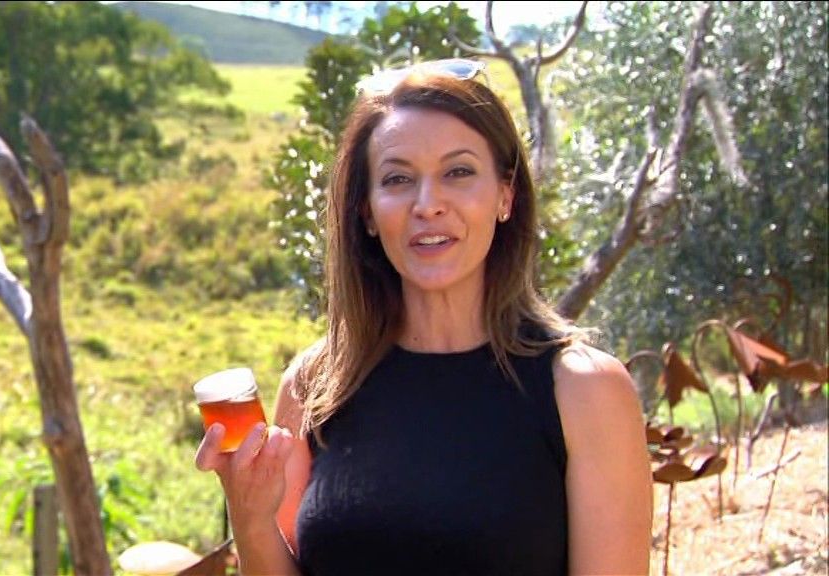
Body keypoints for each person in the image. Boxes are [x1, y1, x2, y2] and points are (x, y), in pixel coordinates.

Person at [195, 58, 653, 575]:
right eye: (398, 179)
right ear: (367, 211)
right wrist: (251, 519)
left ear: (505, 195)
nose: (428, 204)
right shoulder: (315, 386)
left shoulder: (585, 391)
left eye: (458, 172)